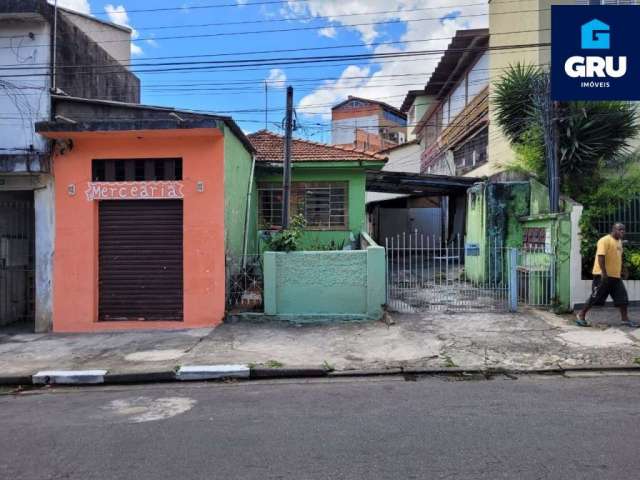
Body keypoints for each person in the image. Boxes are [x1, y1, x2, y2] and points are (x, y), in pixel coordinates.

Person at [577, 223, 637, 327]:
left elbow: (619, 257)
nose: (622, 231)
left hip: (615, 277)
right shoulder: (604, 240)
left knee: (622, 298)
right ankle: (581, 315)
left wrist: (624, 269)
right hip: (602, 276)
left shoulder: (619, 242)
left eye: (623, 230)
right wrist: (604, 274)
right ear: (613, 229)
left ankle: (625, 319)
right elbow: (601, 257)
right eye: (620, 229)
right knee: (594, 298)